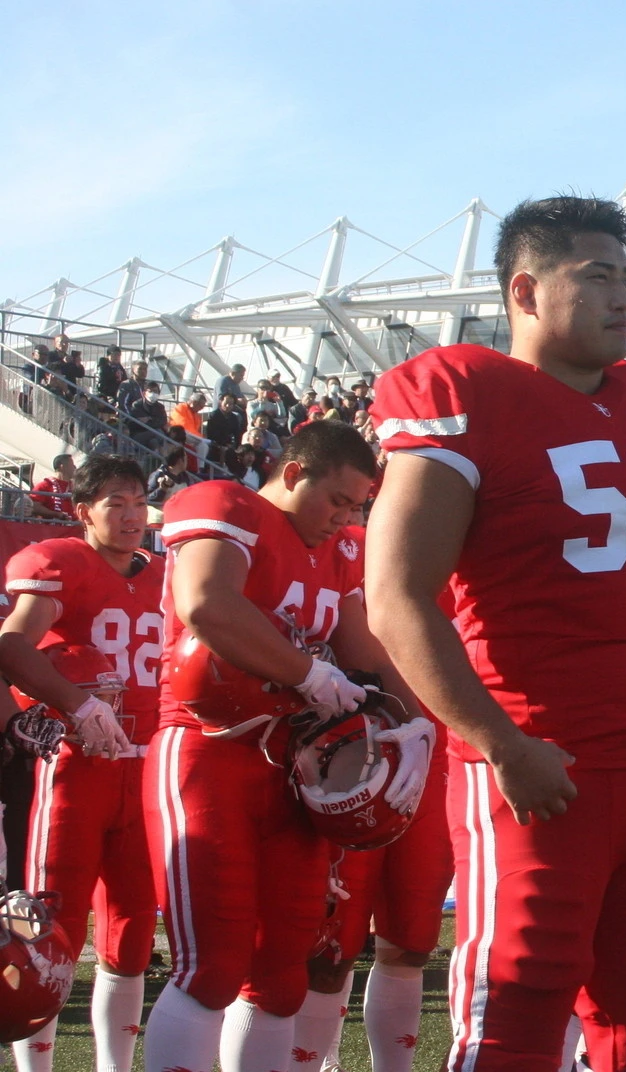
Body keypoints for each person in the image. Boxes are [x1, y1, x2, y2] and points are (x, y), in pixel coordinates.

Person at [365, 195, 626, 1072]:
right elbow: (395, 597)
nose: (624, 297)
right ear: (525, 292)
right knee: (517, 1001)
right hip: (537, 764)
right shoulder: (462, 391)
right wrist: (501, 744)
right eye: (596, 277)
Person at [141, 421, 432, 1072]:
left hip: (292, 772)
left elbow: (365, 654)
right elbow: (207, 603)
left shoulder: (337, 553)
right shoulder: (226, 504)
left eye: (358, 505)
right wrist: (307, 673)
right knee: (210, 966)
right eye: (338, 500)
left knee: (282, 974)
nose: (346, 517)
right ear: (294, 474)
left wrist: (418, 727)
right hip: (207, 751)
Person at [0, 456, 163, 1072]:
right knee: (48, 928)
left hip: (146, 766)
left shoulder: (166, 576)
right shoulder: (60, 563)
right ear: (82, 510)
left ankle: (114, 1068)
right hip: (76, 767)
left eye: (139, 501)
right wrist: (76, 700)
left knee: (130, 933)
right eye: (115, 502)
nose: (131, 515)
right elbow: (12, 644)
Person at [29, 454, 77, 520]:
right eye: (72, 465)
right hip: (52, 528)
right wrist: (56, 514)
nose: (75, 468)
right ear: (62, 466)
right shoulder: (45, 485)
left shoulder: (76, 487)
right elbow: (34, 506)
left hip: (75, 528)